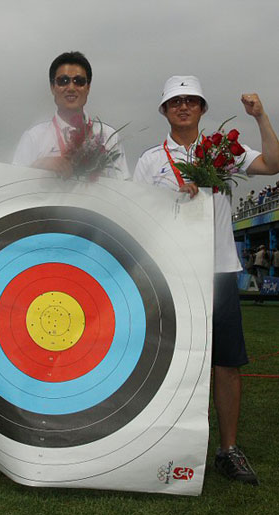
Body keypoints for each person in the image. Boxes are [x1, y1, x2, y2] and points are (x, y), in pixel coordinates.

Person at [133, 75, 279, 486]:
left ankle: (228, 450)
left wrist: (260, 116)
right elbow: (137, 214)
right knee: (167, 360)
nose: (183, 107)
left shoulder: (221, 151)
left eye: (191, 101)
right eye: (175, 101)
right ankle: (165, 443)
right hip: (170, 270)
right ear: (164, 110)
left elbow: (272, 163)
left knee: (227, 363)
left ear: (202, 109)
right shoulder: (149, 160)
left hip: (217, 270)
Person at [13, 51, 129, 179]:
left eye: (79, 81)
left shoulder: (108, 137)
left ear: (88, 87)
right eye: (63, 81)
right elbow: (14, 186)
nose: (71, 87)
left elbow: (123, 188)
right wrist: (38, 166)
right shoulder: (34, 138)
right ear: (52, 87)